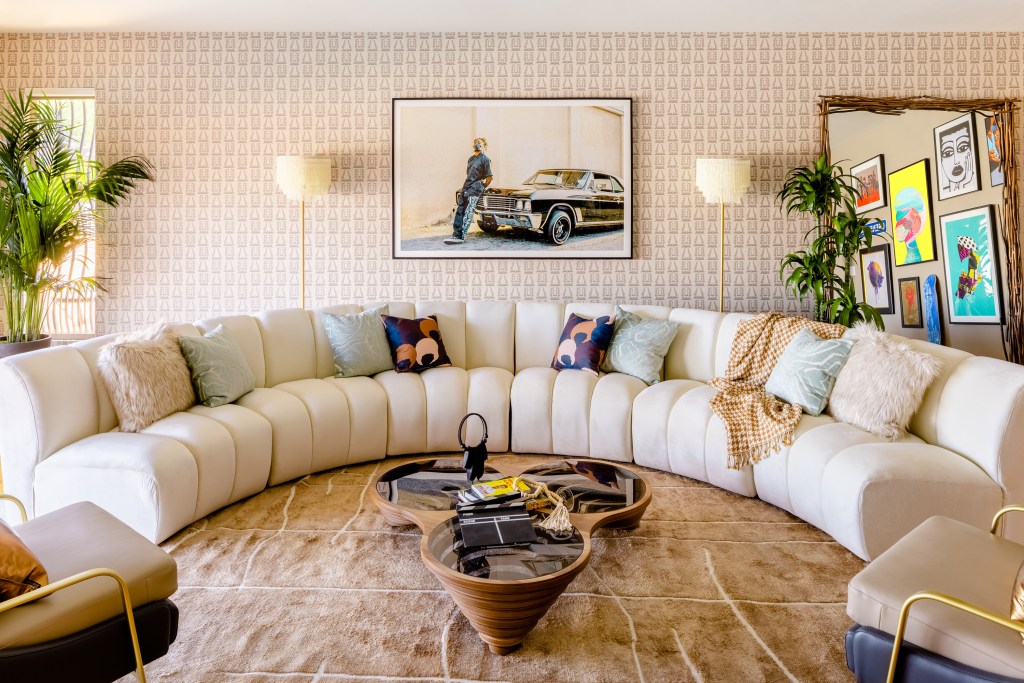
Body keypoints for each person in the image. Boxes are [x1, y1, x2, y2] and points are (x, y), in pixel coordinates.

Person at [444, 137, 493, 245]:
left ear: (483, 145)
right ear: (472, 145)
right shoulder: (470, 159)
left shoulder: (485, 159)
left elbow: (489, 177)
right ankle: (455, 234)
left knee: (468, 212)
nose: (476, 144)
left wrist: (482, 186)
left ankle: (461, 236)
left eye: (479, 143)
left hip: (475, 189)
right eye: (475, 142)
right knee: (460, 210)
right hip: (466, 187)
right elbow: (469, 174)